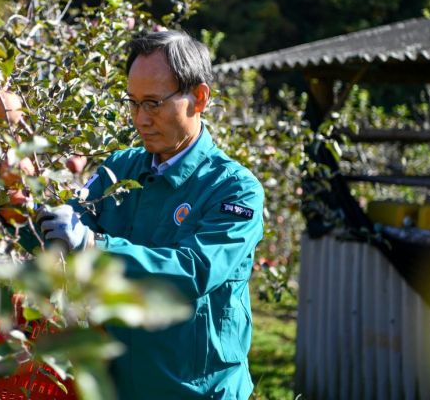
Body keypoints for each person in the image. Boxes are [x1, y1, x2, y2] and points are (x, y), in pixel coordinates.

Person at [38, 30, 264, 399]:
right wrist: (27, 210)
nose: (140, 119)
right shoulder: (121, 168)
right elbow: (67, 231)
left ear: (199, 98)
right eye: (133, 103)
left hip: (197, 389)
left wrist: (95, 246)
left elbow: (194, 270)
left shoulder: (234, 189)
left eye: (154, 103)